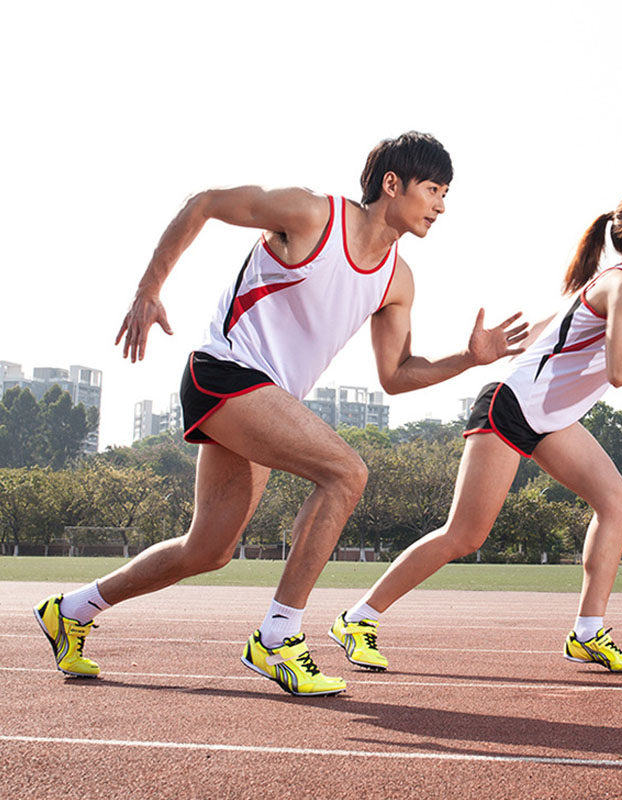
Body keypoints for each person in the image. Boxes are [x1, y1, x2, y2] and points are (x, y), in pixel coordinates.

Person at [34, 132, 529, 697]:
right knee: (346, 473)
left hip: (265, 400)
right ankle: (278, 636)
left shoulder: (398, 279)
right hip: (225, 371)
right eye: (433, 189)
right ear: (393, 184)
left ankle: (71, 610)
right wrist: (150, 287)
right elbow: (204, 203)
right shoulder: (312, 215)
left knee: (208, 550)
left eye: (445, 194)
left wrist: (469, 359)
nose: (441, 205)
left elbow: (395, 375)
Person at [329, 190, 622, 674]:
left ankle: (588, 633)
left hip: (547, 419)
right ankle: (358, 618)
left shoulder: (610, 283)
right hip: (510, 409)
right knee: (464, 535)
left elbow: (551, 331)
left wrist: (522, 345)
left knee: (616, 500)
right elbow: (619, 372)